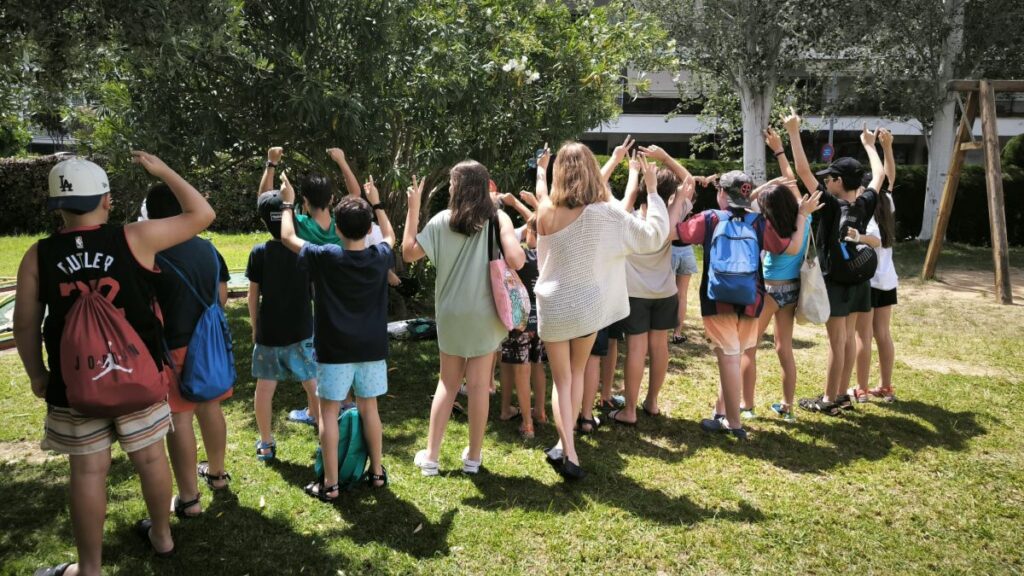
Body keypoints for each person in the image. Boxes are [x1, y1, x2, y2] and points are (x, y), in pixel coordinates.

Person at [14, 152, 215, 575]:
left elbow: (26, 324)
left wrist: (37, 374)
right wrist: (163, 170)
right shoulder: (135, 238)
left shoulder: (38, 255)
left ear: (57, 207)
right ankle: (162, 536)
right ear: (106, 200)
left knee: (88, 471)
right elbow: (202, 214)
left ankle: (89, 568)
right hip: (138, 376)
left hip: (75, 383)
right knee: (151, 459)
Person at [533, 142, 673, 480]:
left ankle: (567, 449)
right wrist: (652, 191)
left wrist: (540, 169)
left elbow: (541, 192)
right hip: (586, 306)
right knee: (576, 374)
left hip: (552, 305)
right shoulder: (606, 213)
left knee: (561, 380)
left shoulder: (546, 210)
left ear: (559, 173)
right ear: (592, 172)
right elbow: (652, 237)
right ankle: (566, 449)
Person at [676, 170, 820, 439]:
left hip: (718, 300)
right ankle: (720, 412)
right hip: (752, 299)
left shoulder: (710, 219)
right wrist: (802, 215)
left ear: (722, 193)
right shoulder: (759, 222)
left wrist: (679, 202)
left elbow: (674, 233)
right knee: (733, 355)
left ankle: (733, 423)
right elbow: (790, 247)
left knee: (728, 358)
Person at [279, 170, 395, 497]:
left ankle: (330, 484)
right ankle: (376, 473)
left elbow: (287, 237)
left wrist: (287, 204)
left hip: (334, 350)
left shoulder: (326, 256)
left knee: (328, 413)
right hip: (371, 348)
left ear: (338, 228)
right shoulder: (378, 256)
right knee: (370, 409)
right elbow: (390, 237)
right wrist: (377, 203)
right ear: (368, 229)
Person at [404, 161, 525, 476]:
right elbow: (517, 260)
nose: (449, 187)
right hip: (486, 314)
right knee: (480, 386)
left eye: (451, 182)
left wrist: (413, 208)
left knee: (448, 382)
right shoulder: (496, 218)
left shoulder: (442, 221)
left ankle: (431, 457)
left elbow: (408, 252)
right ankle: (473, 458)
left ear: (458, 187)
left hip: (451, 314)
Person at [785, 110, 884, 415]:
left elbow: (802, 171)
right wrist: (870, 146)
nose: (825, 181)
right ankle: (841, 393)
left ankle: (829, 399)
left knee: (836, 341)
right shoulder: (865, 202)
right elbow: (879, 176)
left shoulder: (830, 205)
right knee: (848, 338)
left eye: (828, 178)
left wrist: (793, 132)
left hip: (836, 280)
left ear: (839, 181)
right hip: (859, 278)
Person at [144, 184, 233, 519]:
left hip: (173, 347)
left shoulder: (151, 254)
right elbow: (221, 298)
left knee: (179, 419)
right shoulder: (208, 250)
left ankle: (189, 498)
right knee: (211, 408)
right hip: (209, 345)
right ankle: (218, 474)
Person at [607, 145, 696, 425]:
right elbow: (690, 182)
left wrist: (633, 173)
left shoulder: (628, 219)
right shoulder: (672, 217)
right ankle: (652, 401)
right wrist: (666, 157)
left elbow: (607, 192)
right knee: (660, 347)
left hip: (635, 294)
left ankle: (629, 410)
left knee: (636, 349)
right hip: (665, 292)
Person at [740, 128, 814, 422]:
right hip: (792, 290)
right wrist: (780, 152)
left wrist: (768, 183)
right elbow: (791, 182)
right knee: (785, 349)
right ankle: (787, 407)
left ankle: (747, 406)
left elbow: (745, 201)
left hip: (769, 290)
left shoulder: (767, 225)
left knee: (749, 347)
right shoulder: (804, 217)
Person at [248, 190, 317, 463]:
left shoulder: (259, 252)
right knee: (312, 383)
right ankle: (325, 434)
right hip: (302, 329)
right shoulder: (305, 249)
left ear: (263, 221)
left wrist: (255, 326)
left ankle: (265, 443)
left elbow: (253, 295)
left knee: (264, 389)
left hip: (270, 333)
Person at [853, 128, 899, 403]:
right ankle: (886, 386)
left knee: (864, 335)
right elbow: (889, 178)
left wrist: (857, 237)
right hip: (887, 279)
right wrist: (887, 147)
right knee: (882, 334)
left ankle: (861, 388)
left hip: (868, 280)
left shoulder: (866, 209)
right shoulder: (887, 201)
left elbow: (875, 240)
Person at [497, 212, 542, 439]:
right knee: (538, 366)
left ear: (532, 233)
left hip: (518, 322)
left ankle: (527, 424)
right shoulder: (548, 255)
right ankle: (540, 411)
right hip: (541, 321)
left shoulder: (521, 257)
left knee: (520, 371)